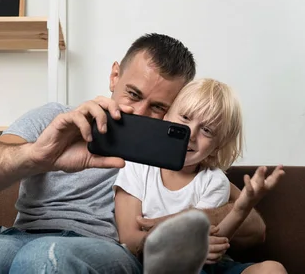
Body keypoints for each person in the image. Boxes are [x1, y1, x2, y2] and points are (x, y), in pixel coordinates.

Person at [0, 33, 267, 273]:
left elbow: (252, 226)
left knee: (45, 258)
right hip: (17, 237)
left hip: (103, 251)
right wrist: (39, 155)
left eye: (159, 107)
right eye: (132, 94)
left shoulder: (169, 148)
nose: (138, 113)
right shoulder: (56, 116)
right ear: (114, 75)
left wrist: (188, 221)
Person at [114, 78, 286, 274]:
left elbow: (214, 243)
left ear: (216, 147)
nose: (191, 134)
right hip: (155, 264)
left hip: (207, 266)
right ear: (166, 117)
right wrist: (170, 246)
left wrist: (241, 207)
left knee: (273, 269)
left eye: (207, 130)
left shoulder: (214, 180)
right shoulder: (137, 166)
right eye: (185, 118)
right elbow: (128, 237)